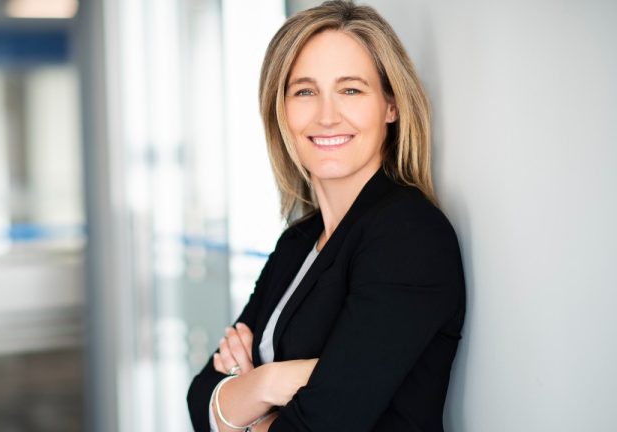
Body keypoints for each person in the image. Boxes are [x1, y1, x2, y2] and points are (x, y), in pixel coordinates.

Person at [187, 1, 465, 431]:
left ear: (390, 105)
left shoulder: (408, 236)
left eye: (351, 89)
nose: (327, 115)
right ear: (280, 110)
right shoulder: (299, 242)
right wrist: (269, 384)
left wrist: (244, 405)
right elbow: (199, 400)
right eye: (304, 91)